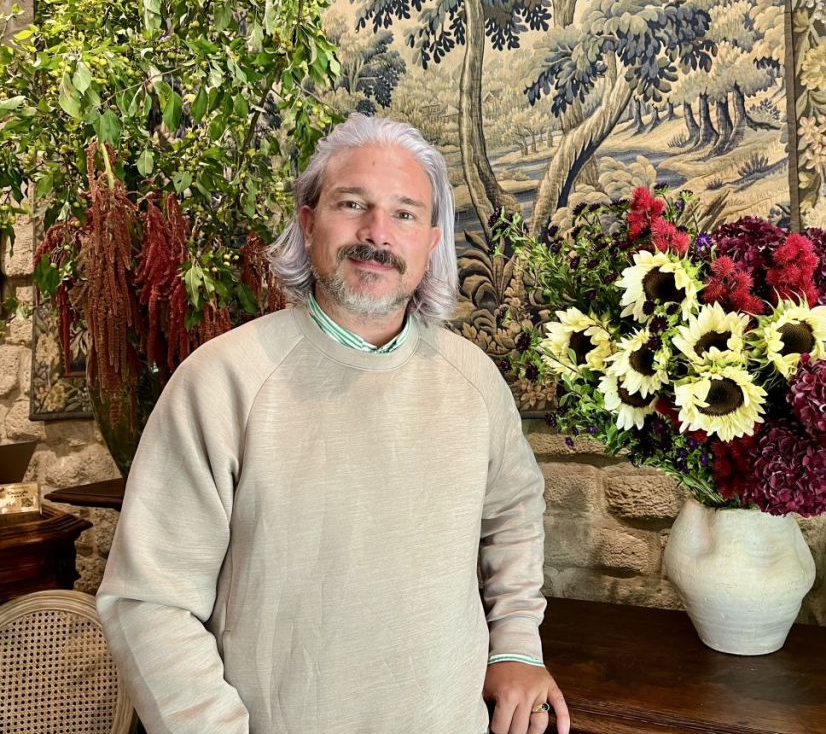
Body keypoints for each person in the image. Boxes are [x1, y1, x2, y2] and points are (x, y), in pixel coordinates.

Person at [97, 113, 570, 734]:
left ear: (431, 244)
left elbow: (513, 513)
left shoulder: (474, 380)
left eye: (405, 213)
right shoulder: (222, 381)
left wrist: (515, 646)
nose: (377, 233)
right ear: (307, 220)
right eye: (353, 204)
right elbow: (148, 603)